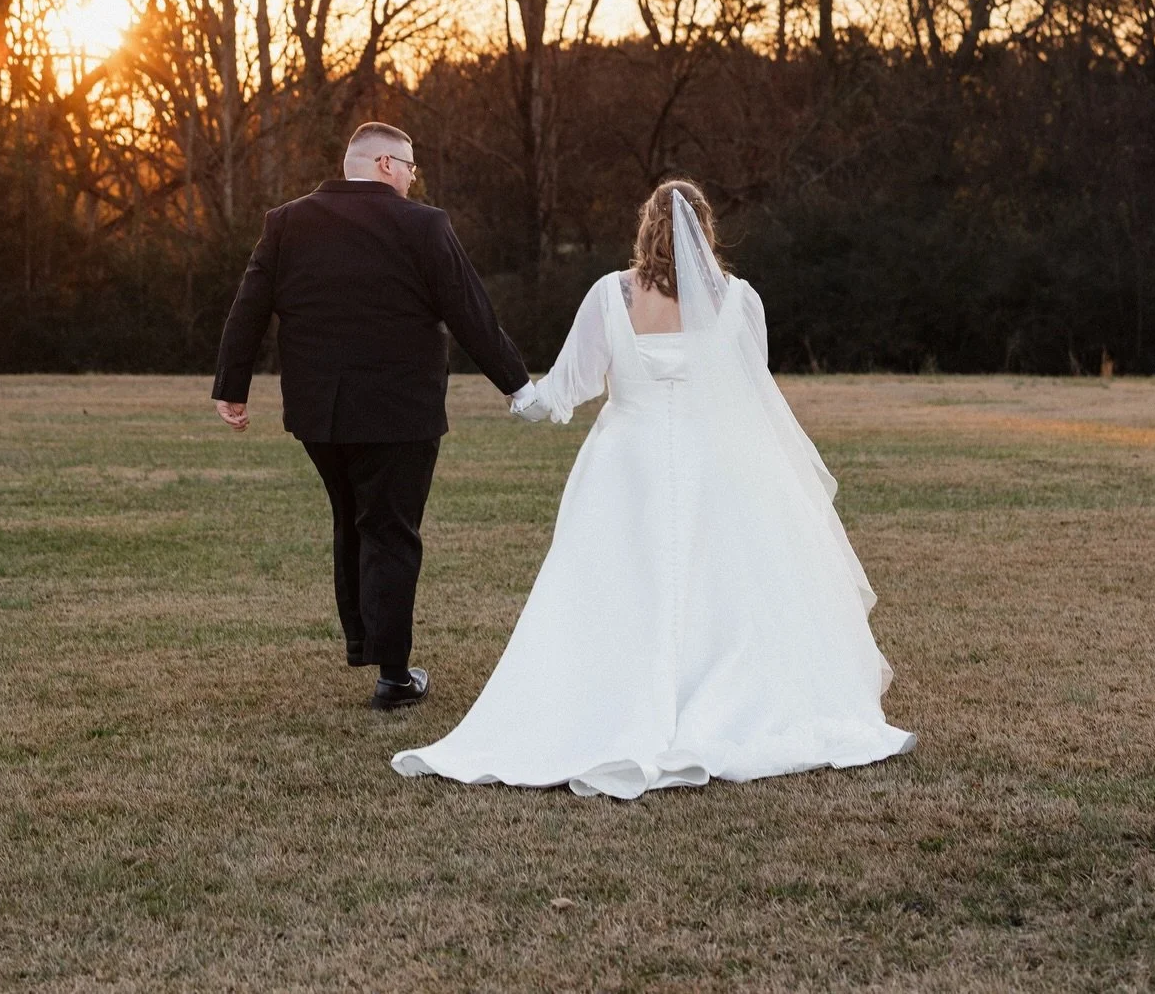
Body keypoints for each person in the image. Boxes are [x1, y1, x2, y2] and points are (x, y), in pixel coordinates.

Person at [393, 178, 915, 796]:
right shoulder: (739, 300)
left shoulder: (611, 295)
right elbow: (749, 386)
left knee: (617, 583)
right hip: (717, 464)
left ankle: (606, 701)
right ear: (707, 229)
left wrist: (521, 397)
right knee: (725, 582)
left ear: (645, 226)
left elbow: (567, 387)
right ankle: (730, 698)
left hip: (627, 465)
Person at [213, 121, 536, 710]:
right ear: (386, 164)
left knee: (353, 520)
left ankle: (367, 643)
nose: (414, 180)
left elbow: (249, 306)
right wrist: (517, 385)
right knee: (389, 528)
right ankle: (393, 674)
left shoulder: (286, 222)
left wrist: (231, 388)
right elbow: (469, 310)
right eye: (411, 168)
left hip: (320, 413)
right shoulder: (423, 225)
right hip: (399, 411)